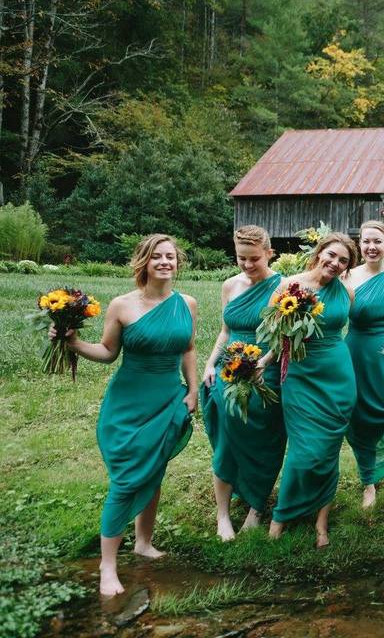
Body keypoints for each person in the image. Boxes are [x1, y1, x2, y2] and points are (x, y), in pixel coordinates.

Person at [52, 234, 197, 596]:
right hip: (129, 405)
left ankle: (143, 543)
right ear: (144, 262)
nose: (165, 262)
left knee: (153, 472)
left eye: (171, 257)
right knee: (127, 481)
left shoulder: (188, 304)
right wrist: (72, 343)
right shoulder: (122, 305)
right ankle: (108, 566)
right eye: (157, 257)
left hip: (168, 401)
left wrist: (192, 389)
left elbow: (189, 349)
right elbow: (106, 352)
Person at [266, 233, 359, 549]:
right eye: (331, 255)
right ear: (320, 253)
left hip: (337, 375)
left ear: (348, 266)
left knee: (329, 449)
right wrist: (265, 359)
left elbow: (344, 328)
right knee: (304, 451)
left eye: (343, 260)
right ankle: (281, 516)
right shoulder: (289, 286)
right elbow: (273, 332)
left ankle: (321, 524)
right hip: (300, 374)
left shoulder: (346, 290)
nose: (335, 263)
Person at [201, 225, 286, 541]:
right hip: (230, 368)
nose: (248, 266)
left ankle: (255, 505)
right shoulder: (229, 286)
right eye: (242, 259)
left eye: (254, 259)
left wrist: (263, 364)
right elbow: (225, 331)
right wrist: (210, 363)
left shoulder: (282, 287)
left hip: (266, 369)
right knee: (227, 435)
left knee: (265, 438)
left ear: (268, 253)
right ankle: (222, 513)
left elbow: (282, 337)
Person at [343, 220, 384, 509]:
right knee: (361, 416)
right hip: (358, 354)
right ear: (359, 244)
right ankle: (368, 479)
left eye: (377, 241)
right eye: (366, 241)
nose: (371, 246)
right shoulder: (347, 277)